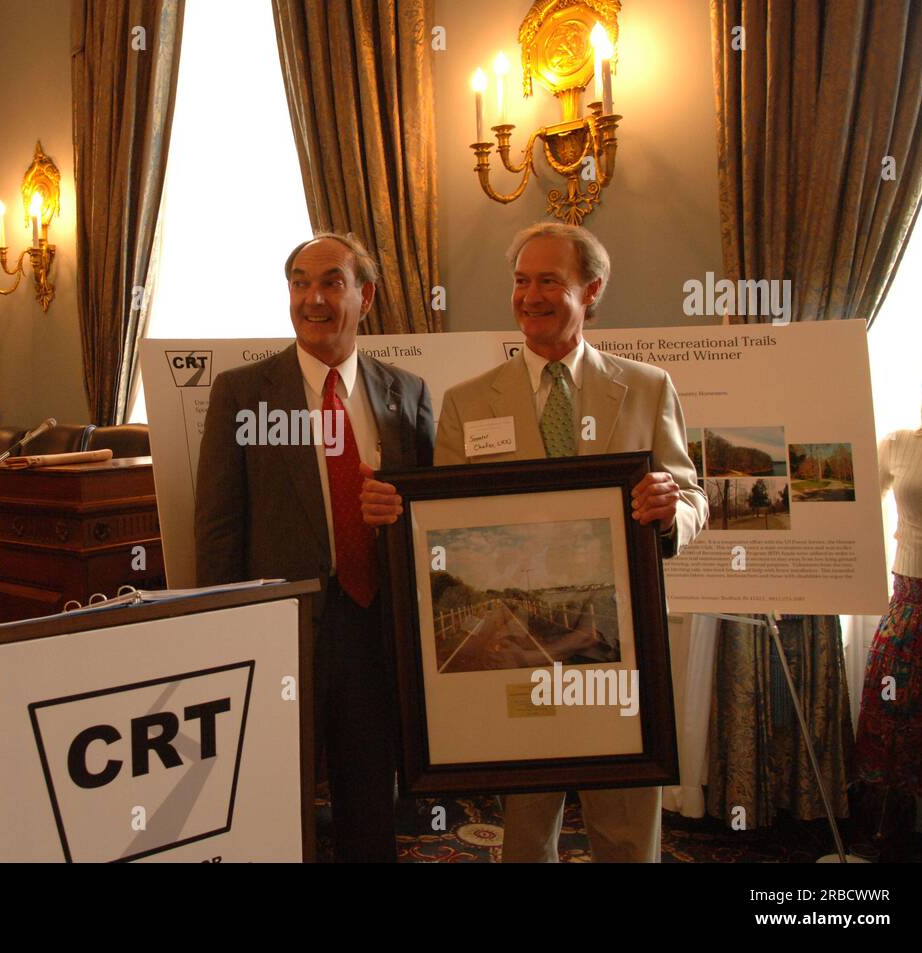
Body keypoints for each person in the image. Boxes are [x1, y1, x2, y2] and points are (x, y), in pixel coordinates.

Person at [361, 222, 707, 862]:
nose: (531, 295)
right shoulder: (467, 404)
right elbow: (442, 529)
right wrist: (396, 511)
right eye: (521, 280)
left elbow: (692, 496)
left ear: (591, 289)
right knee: (525, 831)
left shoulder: (649, 386)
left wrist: (670, 512)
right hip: (515, 669)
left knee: (627, 829)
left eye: (550, 279)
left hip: (623, 648)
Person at [194, 233, 434, 861]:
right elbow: (218, 529)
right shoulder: (242, 393)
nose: (313, 298)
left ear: (367, 295)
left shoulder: (406, 395)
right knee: (272, 793)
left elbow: (433, 516)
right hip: (280, 628)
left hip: (372, 624)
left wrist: (401, 514)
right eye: (300, 283)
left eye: (331, 282)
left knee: (368, 798)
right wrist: (224, 637)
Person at [854, 354, 922, 861]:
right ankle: (889, 836)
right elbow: (854, 500)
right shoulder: (900, 443)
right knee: (894, 721)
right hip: (909, 606)